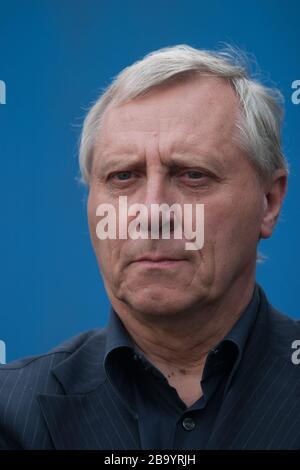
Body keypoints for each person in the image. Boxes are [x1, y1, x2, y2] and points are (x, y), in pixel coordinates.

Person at [0, 44, 299, 450]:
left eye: (194, 175)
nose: (152, 213)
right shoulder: (11, 413)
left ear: (269, 202)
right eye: (123, 177)